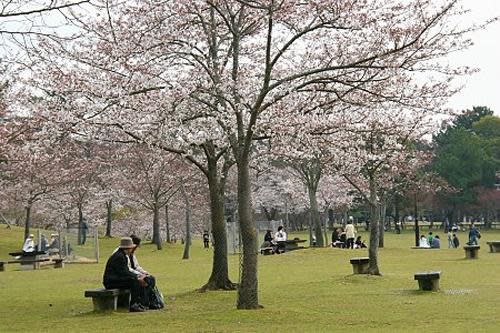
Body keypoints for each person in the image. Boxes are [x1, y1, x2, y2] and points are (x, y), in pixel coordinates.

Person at [103, 237, 149, 312]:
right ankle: (134, 304)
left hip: (115, 279)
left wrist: (138, 276)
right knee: (134, 281)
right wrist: (137, 277)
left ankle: (139, 302)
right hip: (111, 282)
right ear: (128, 248)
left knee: (135, 280)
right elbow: (124, 272)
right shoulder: (119, 257)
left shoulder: (122, 255)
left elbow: (125, 271)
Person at [129, 235, 162, 310]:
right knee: (144, 280)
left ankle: (149, 301)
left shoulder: (132, 255)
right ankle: (142, 302)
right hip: (130, 276)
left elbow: (136, 266)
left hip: (134, 274)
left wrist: (145, 272)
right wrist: (140, 275)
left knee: (151, 278)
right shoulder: (125, 255)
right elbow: (128, 269)